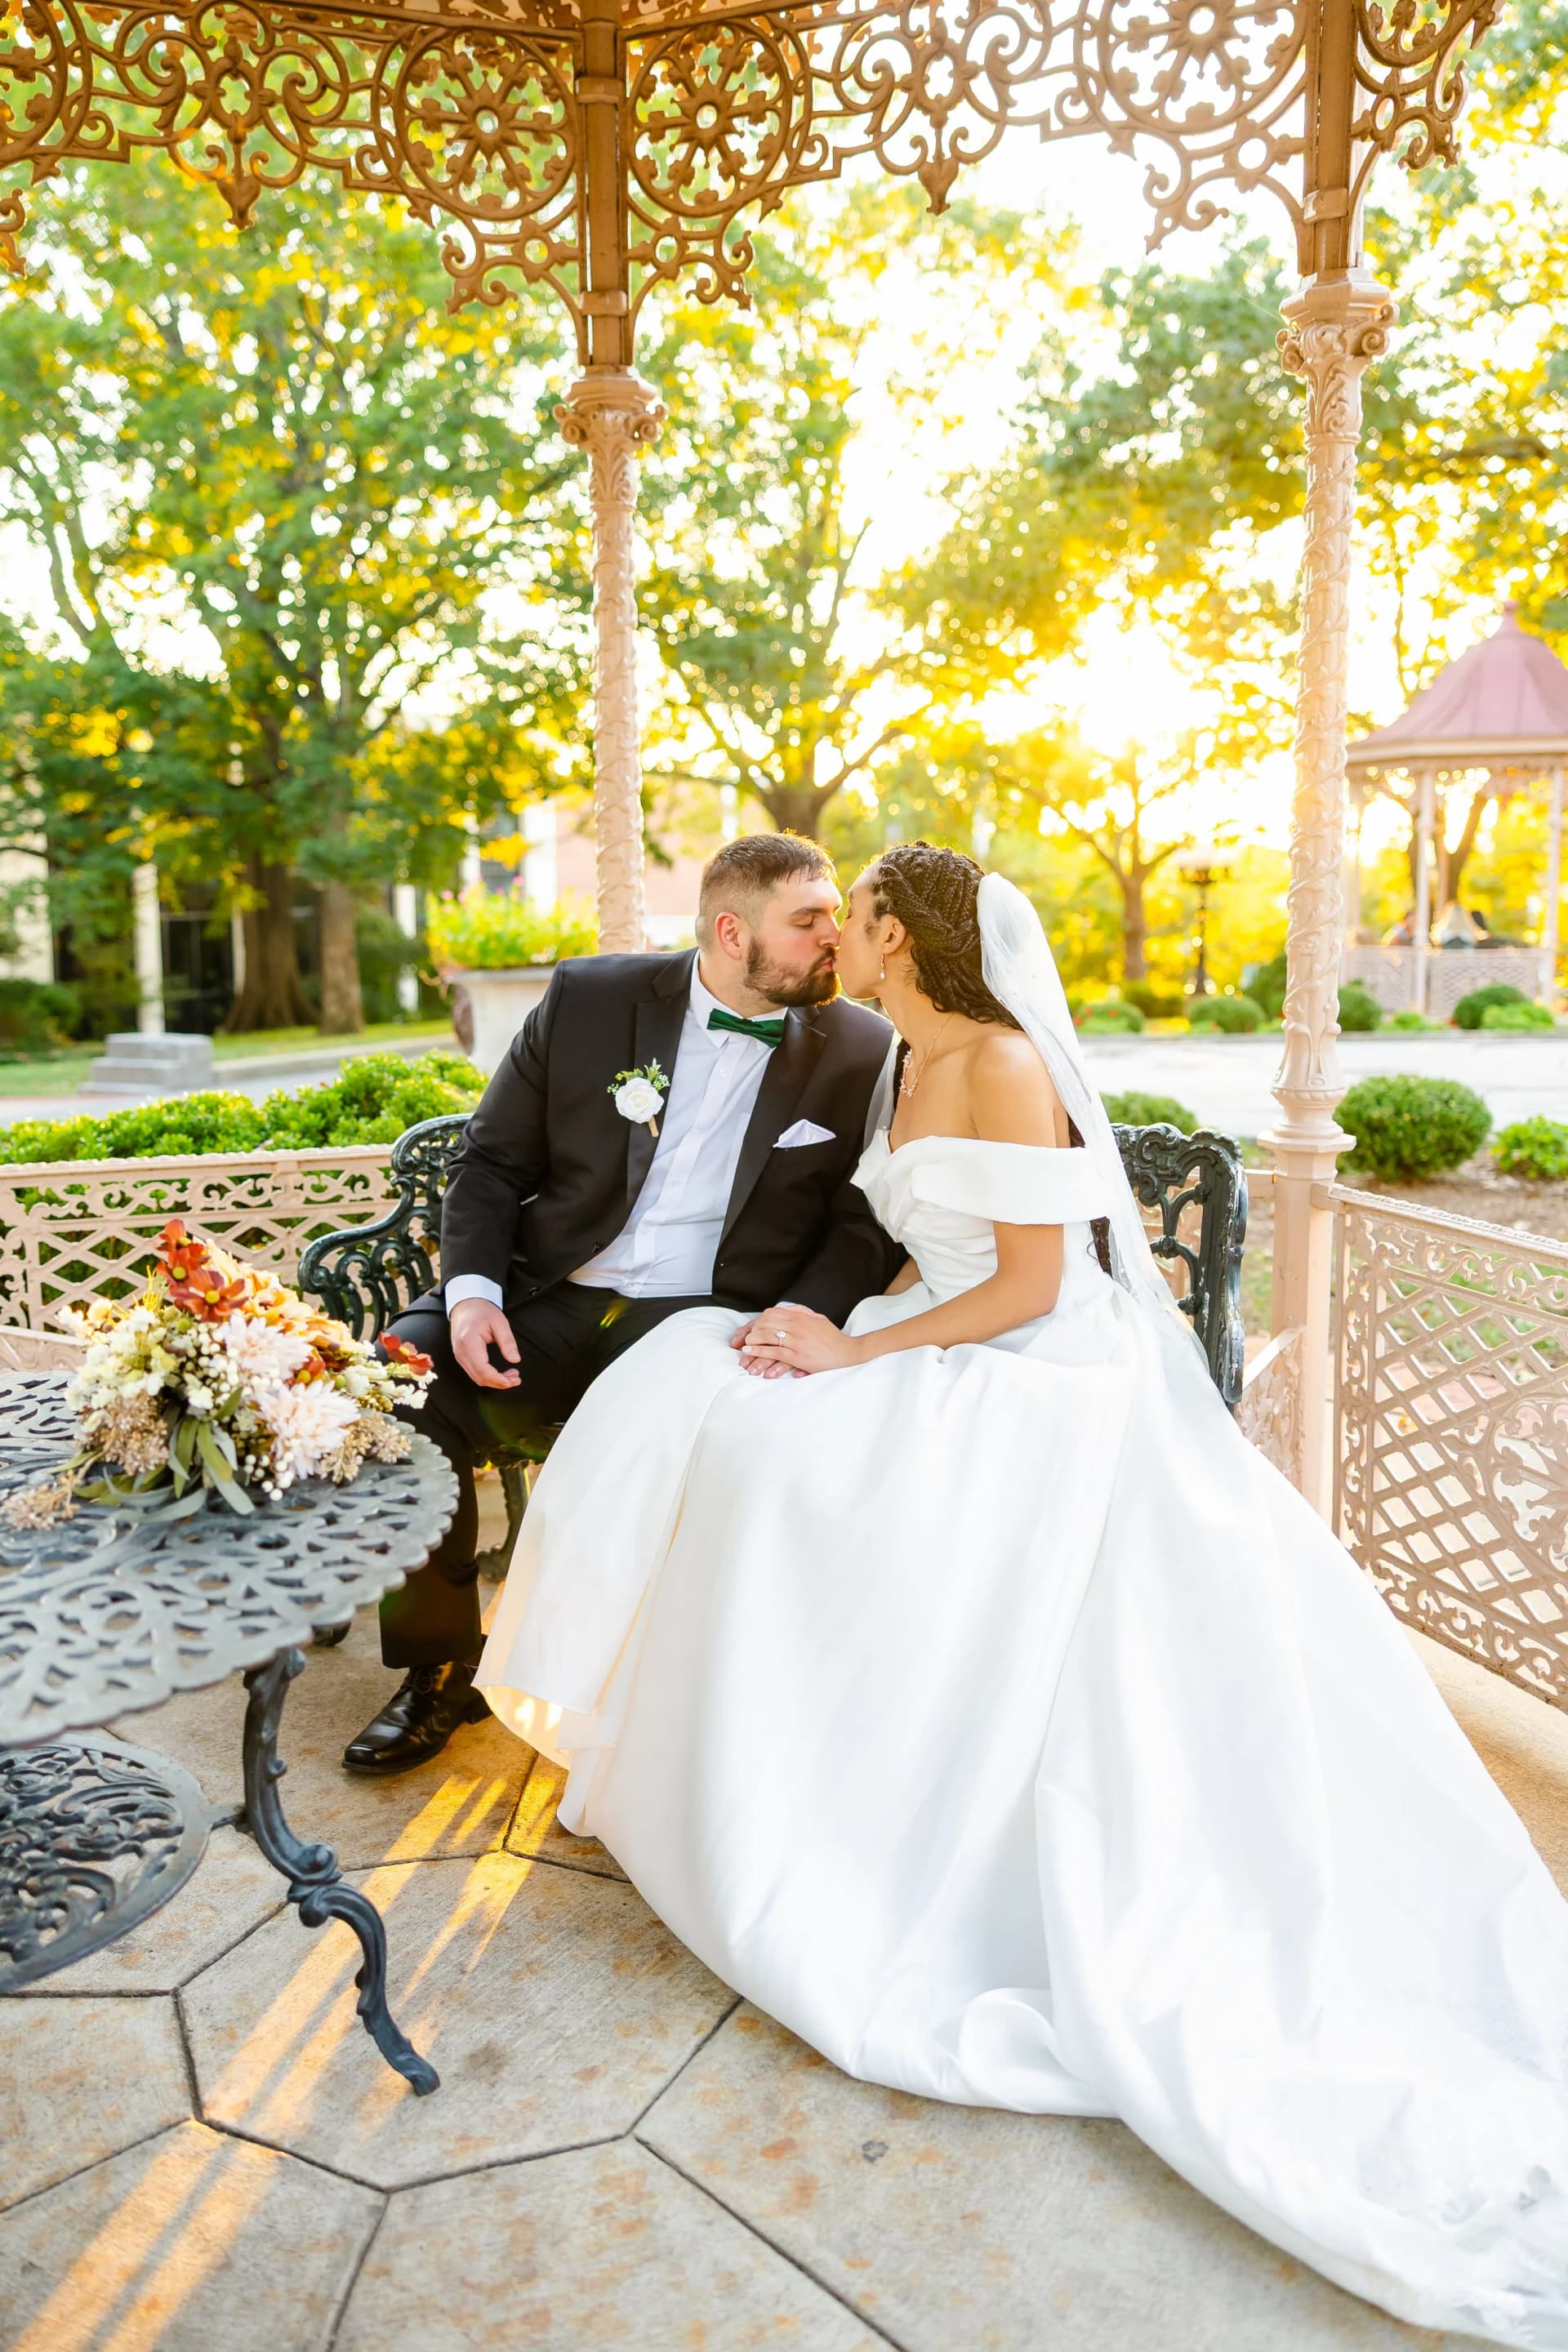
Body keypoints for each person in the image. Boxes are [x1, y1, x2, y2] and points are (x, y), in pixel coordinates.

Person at [478, 842, 1568, 2347]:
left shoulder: (999, 1063)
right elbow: (899, 1246)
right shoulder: (895, 1055)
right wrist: (819, 1329)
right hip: (926, 1324)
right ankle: (750, 1752)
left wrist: (856, 1354)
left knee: (797, 1479)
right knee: (703, 1393)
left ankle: (838, 1805)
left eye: (857, 917)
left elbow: (1033, 1287)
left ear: (906, 940)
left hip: (1030, 1364)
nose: (839, 937)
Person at [343, 834, 902, 1772]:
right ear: (732, 932)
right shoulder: (589, 999)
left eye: (835, 914)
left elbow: (860, 1226)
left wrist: (797, 1319)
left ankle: (646, 1703)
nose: (834, 936)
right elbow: (491, 1163)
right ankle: (439, 1668)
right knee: (402, 1388)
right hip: (549, 1293)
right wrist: (472, 1296)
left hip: (703, 1325)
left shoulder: (861, 1046)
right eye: (809, 919)